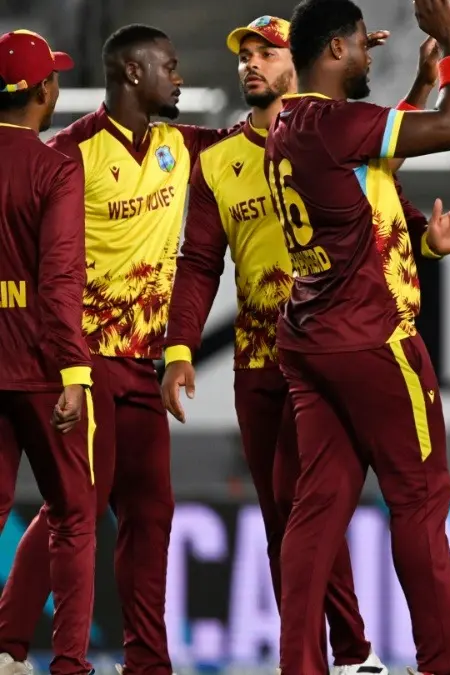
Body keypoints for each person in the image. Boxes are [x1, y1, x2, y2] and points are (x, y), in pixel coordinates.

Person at [158, 16, 444, 675]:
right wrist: (177, 350)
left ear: (301, 60)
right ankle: (341, 656)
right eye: (245, 55)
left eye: (267, 52)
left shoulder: (329, 133)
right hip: (262, 358)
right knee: (289, 516)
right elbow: (200, 263)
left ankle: (345, 655)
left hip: (334, 343)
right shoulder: (218, 160)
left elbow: (389, 189)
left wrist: (428, 239)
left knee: (312, 506)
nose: (250, 64)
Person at [0, 24, 236, 675]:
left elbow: (251, 145)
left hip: (141, 362)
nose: (181, 77)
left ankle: (146, 660)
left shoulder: (177, 145)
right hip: (87, 355)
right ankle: (12, 643)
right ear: (135, 74)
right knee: (76, 503)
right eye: (172, 66)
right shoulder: (71, 153)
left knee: (150, 507)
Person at [265, 0, 450, 672]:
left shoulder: (289, 126)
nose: (368, 55)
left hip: (310, 341)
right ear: (334, 50)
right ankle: (444, 663)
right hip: (374, 340)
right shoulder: (334, 124)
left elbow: (365, 172)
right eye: (360, 46)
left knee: (318, 508)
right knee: (420, 498)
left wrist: (425, 239)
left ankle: (300, 664)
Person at [0, 30, 95, 675]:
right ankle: (68, 665)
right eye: (53, 78)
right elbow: (60, 279)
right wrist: (74, 371)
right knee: (74, 514)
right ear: (41, 92)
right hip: (38, 364)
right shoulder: (55, 167)